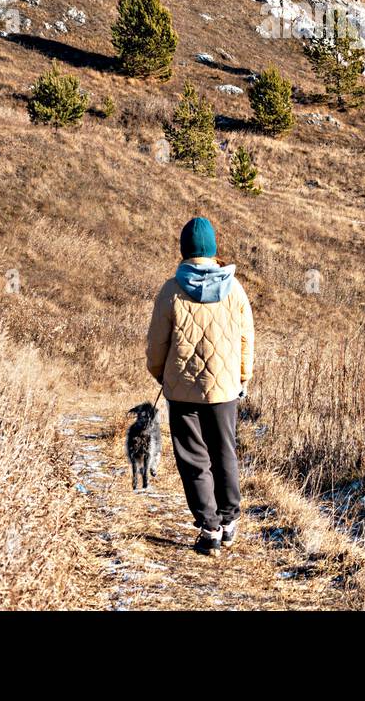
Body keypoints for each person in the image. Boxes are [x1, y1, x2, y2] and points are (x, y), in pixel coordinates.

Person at [146, 216, 254, 555]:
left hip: (182, 390)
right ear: (213, 248)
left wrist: (161, 374)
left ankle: (209, 529)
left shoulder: (171, 290)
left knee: (193, 458)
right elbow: (246, 339)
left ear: (184, 250)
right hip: (224, 389)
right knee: (225, 451)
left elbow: (156, 346)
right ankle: (230, 520)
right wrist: (241, 377)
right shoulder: (235, 289)